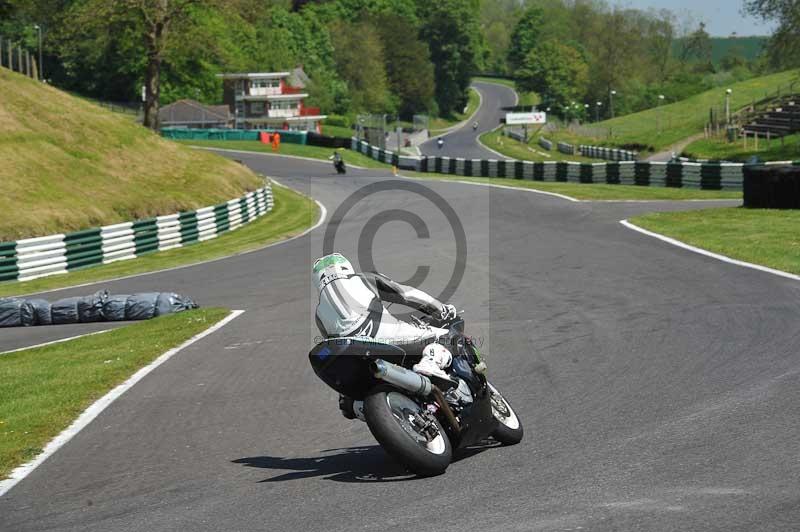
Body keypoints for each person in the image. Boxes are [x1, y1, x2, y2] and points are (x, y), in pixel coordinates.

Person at [312, 253, 458, 385]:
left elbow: (331, 343)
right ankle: (430, 363)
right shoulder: (363, 279)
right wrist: (440, 308)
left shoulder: (319, 313)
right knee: (448, 337)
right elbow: (406, 294)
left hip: (355, 357)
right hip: (387, 337)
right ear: (345, 267)